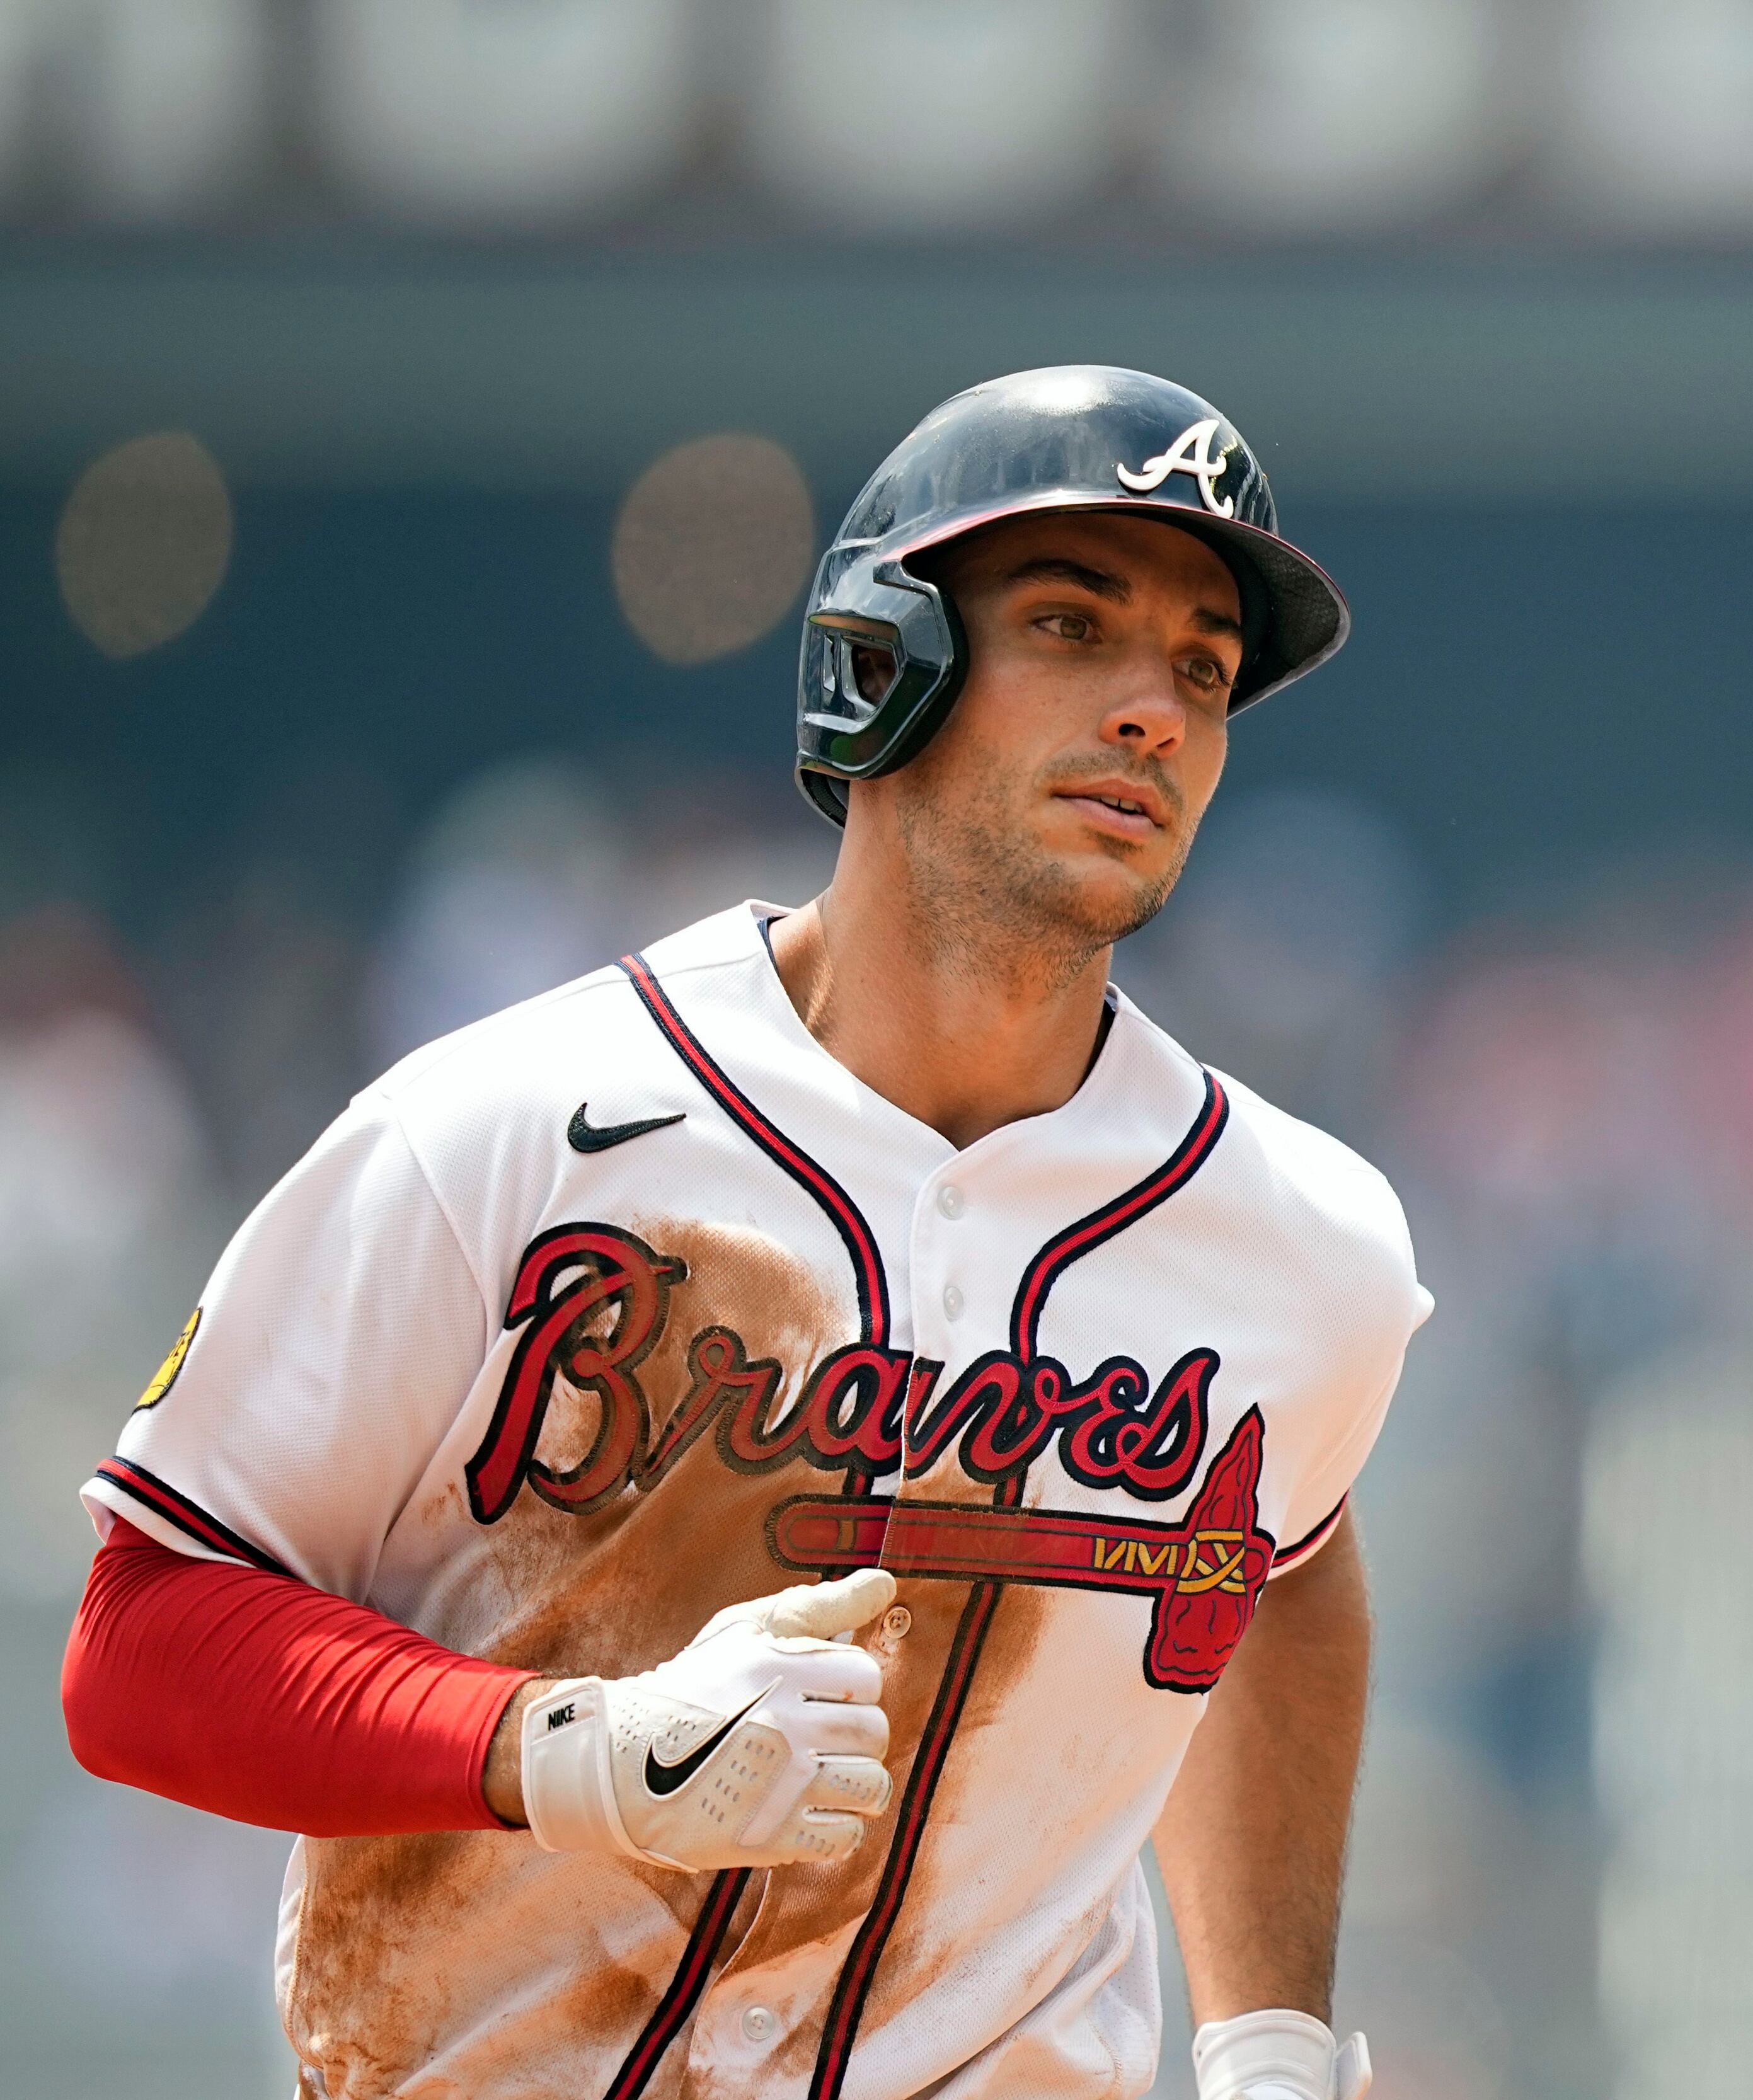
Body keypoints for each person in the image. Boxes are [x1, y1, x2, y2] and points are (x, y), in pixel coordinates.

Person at [62, 367, 1425, 2100]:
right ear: (886, 659)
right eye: (1074, 626)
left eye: (1205, 670)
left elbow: (1277, 1558)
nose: (1155, 709)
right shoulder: (499, 1132)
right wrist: (571, 1750)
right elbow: (144, 1642)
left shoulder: (1301, 1244)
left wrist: (1270, 2040)